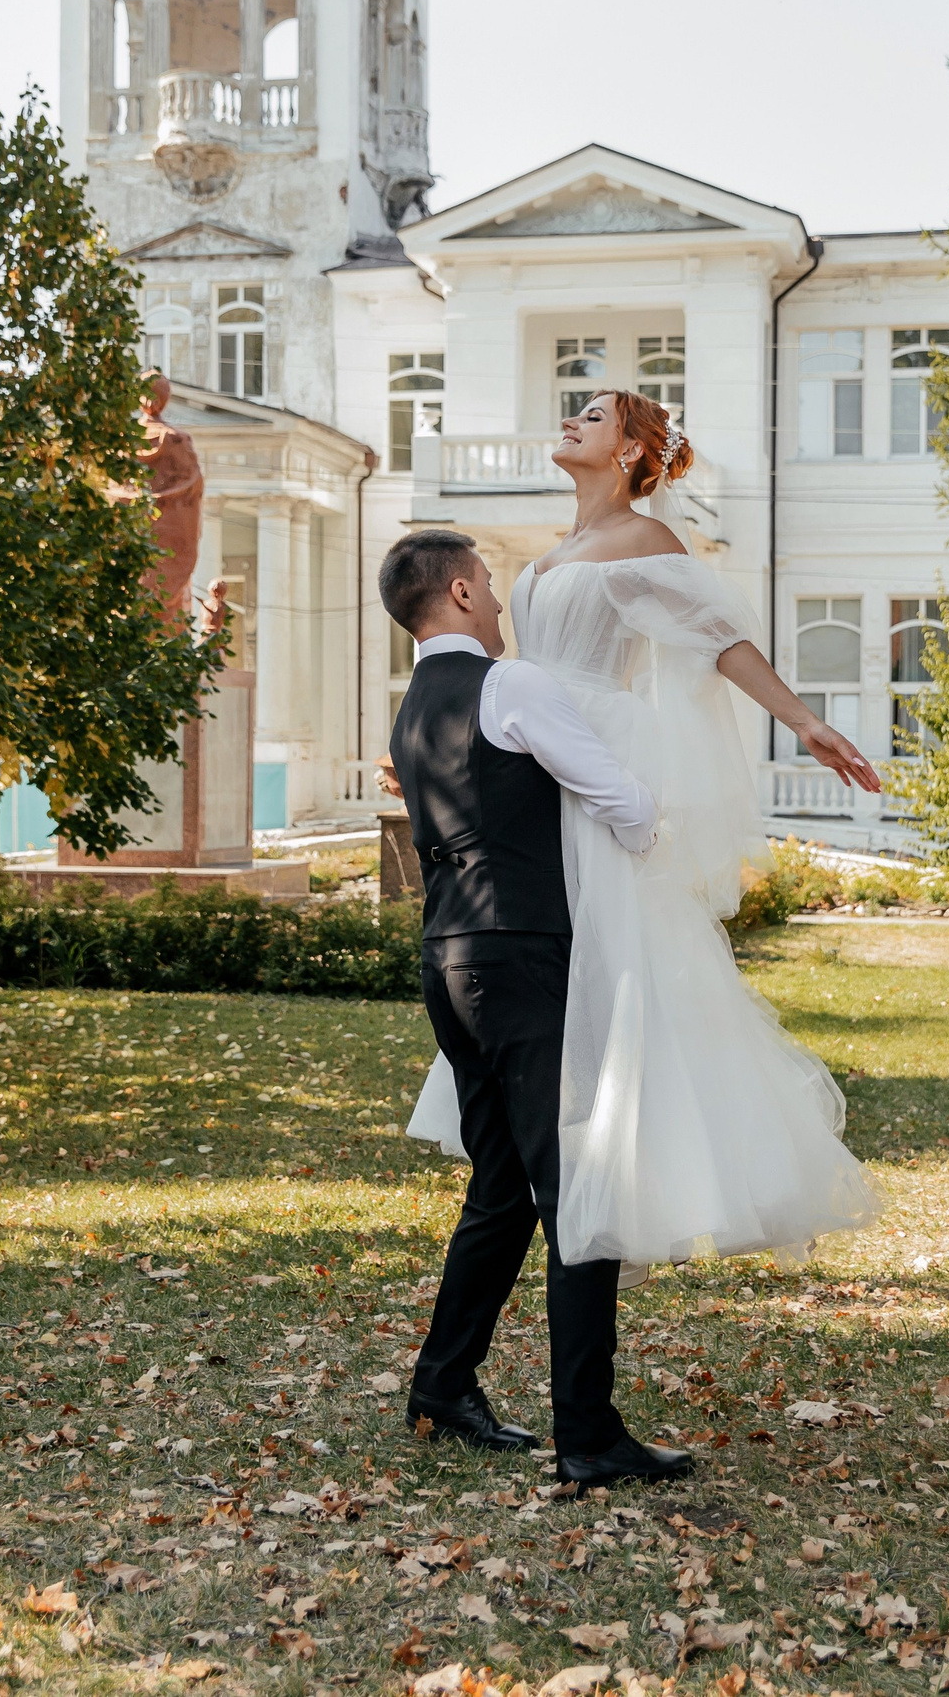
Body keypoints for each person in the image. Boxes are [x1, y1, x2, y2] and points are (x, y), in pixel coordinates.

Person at [406, 389, 883, 1285]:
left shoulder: (647, 538)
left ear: (630, 452)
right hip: (534, 767)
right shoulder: (547, 556)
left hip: (596, 763)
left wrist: (802, 720)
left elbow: (718, 638)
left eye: (594, 416)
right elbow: (505, 689)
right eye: (574, 411)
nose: (571, 421)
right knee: (548, 957)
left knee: (616, 954)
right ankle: (556, 1135)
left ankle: (621, 1161)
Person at [381, 527, 693, 1487]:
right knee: (577, 1190)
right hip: (520, 961)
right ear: (462, 592)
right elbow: (618, 800)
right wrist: (651, 825)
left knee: (503, 1185)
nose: (499, 604)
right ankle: (588, 1435)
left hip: (447, 959)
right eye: (490, 586)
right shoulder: (511, 687)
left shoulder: (410, 710)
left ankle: (442, 1383)